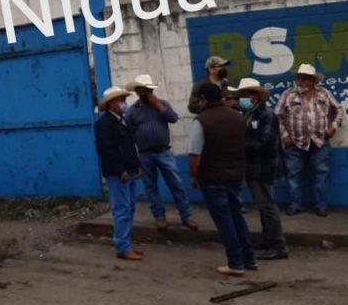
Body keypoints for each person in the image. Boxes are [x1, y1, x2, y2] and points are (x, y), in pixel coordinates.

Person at [188, 82, 256, 276]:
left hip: (212, 177)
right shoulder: (238, 117)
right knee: (237, 216)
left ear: (204, 100)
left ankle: (235, 262)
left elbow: (194, 154)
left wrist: (193, 175)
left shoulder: (201, 121)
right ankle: (249, 258)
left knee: (224, 220)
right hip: (235, 175)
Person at [124, 74, 198, 231]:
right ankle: (159, 217)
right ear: (137, 91)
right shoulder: (132, 112)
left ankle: (186, 216)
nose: (145, 93)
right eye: (142, 90)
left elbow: (173, 118)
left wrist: (157, 104)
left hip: (164, 152)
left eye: (148, 89)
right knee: (151, 188)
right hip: (145, 155)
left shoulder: (162, 104)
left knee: (176, 185)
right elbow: (129, 136)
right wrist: (134, 160)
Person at [275, 63, 344, 217]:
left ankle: (321, 205)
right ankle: (295, 205)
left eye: (304, 79)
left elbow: (338, 109)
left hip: (319, 141)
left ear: (313, 80)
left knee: (321, 173)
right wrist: (284, 135)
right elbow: (277, 115)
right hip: (294, 142)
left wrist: (333, 127)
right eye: (298, 78)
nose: (300, 82)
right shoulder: (288, 95)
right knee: (293, 174)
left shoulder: (324, 93)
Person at [233, 77, 288, 260]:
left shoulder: (266, 115)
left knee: (267, 205)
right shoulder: (249, 114)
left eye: (244, 95)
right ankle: (268, 239)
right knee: (263, 205)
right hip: (253, 167)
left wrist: (240, 145)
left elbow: (264, 142)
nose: (241, 98)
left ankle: (278, 245)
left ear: (254, 96)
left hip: (263, 167)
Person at [93, 86, 145, 261]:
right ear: (110, 104)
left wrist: (136, 165)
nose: (123, 103)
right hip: (118, 173)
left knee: (129, 208)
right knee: (122, 209)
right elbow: (107, 151)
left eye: (123, 100)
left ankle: (126, 242)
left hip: (129, 170)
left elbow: (131, 146)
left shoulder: (122, 120)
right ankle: (122, 247)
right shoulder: (104, 124)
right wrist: (119, 170)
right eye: (119, 100)